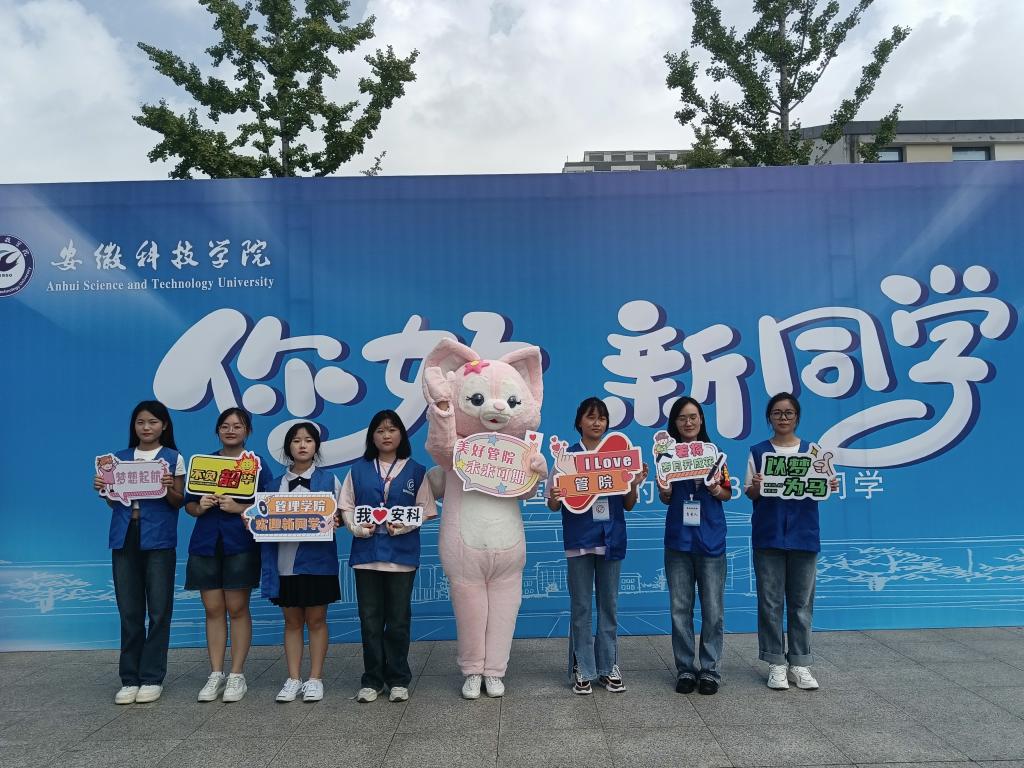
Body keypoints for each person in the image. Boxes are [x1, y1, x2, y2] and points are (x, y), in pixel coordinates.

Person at [547, 397, 647, 695]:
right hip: (579, 540)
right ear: (579, 421)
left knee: (609, 606)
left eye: (602, 418)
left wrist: (633, 484)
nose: (597, 423)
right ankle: (583, 667)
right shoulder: (566, 459)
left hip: (611, 538)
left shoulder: (618, 457)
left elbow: (629, 504)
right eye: (591, 417)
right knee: (581, 606)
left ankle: (608, 666)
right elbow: (553, 504)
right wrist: (556, 495)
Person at [338, 410, 436, 703]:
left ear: (401, 435)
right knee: (369, 620)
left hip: (401, 556)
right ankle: (372, 680)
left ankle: (398, 679)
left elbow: (426, 508)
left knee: (398, 620)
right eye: (380, 430)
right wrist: (355, 527)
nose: (386, 435)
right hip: (366, 554)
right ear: (372, 437)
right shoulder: (358, 470)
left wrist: (407, 525)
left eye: (392, 429)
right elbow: (346, 505)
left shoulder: (416, 471)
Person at [93, 400, 185, 705]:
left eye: (153, 422)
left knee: (159, 610)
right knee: (129, 609)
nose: (146, 427)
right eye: (141, 422)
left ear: (164, 425)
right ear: (134, 426)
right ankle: (129, 678)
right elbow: (113, 501)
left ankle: (152, 677)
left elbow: (178, 501)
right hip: (124, 535)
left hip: (158, 537)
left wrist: (169, 487)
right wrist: (104, 489)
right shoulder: (117, 459)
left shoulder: (173, 458)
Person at [745, 392, 838, 691]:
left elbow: (823, 487)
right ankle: (775, 662)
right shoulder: (758, 452)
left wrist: (829, 483)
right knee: (770, 602)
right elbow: (750, 492)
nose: (783, 418)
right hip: (769, 535)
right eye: (777, 413)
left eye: (788, 413)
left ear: (797, 417)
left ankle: (800, 662)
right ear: (769, 418)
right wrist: (757, 486)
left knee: (801, 603)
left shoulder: (814, 452)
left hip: (804, 536)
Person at [185, 408, 274, 703]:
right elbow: (189, 506)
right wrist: (200, 506)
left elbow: (268, 505)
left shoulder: (256, 465)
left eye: (237, 425)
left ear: (247, 431)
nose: (231, 430)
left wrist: (239, 508)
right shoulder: (204, 465)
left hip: (240, 544)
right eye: (225, 426)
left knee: (237, 608)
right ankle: (215, 673)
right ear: (217, 431)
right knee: (212, 609)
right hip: (206, 543)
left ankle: (237, 674)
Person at [260, 422, 342, 703]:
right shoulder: (273, 486)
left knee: (317, 620)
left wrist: (337, 521)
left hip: (318, 562)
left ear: (316, 446)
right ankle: (293, 678)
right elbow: (261, 519)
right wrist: (254, 522)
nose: (302, 445)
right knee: (292, 621)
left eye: (308, 440)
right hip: (284, 563)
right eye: (296, 440)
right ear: (288, 447)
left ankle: (315, 678)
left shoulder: (330, 481)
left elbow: (341, 517)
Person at [658, 397, 730, 696]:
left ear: (701, 419)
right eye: (682, 418)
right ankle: (685, 668)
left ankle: (710, 670)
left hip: (710, 538)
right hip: (679, 540)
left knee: (713, 610)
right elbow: (665, 497)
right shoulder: (666, 457)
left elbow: (727, 493)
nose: (688, 423)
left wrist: (715, 488)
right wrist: (664, 490)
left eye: (693, 417)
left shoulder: (715, 454)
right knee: (680, 609)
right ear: (674, 424)